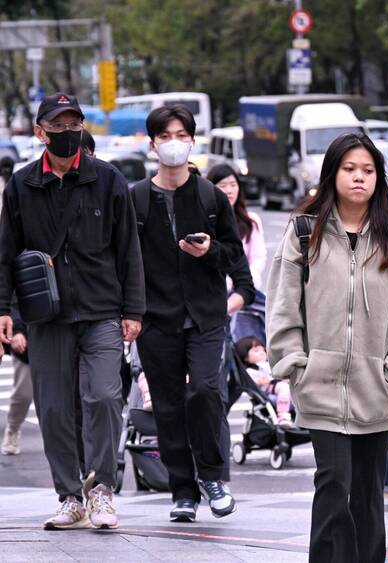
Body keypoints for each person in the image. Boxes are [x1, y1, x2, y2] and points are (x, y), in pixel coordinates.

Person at [267, 132, 388, 562]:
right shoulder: (304, 231)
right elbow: (284, 303)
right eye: (350, 169)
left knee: (368, 497)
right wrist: (294, 363)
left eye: (369, 170)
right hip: (319, 384)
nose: (359, 178)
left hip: (379, 387)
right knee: (334, 485)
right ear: (333, 173)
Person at [0, 93, 145, 529]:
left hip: (102, 309)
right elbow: (6, 253)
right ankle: (69, 495)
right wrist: (4, 309)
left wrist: (133, 308)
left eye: (74, 125)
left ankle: (100, 490)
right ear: (41, 132)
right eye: (58, 127)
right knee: (55, 408)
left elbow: (128, 250)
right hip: (46, 314)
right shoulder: (23, 184)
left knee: (103, 395)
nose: (68, 134)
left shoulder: (108, 179)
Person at [132, 105, 254, 523]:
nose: (173, 143)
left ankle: (214, 478)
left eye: (181, 135)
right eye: (165, 136)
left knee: (205, 392)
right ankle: (182, 491)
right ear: (152, 145)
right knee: (166, 407)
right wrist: (130, 315)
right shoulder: (136, 199)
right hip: (155, 321)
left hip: (205, 318)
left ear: (192, 142)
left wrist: (209, 252)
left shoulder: (209, 196)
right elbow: (124, 262)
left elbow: (235, 259)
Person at [207, 164, 267, 343]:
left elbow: (258, 258)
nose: (229, 190)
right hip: (216, 294)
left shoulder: (251, 221)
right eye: (222, 186)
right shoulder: (205, 222)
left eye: (233, 185)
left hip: (246, 290)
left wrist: (245, 284)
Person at [235, 336, 294, 427]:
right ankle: (283, 416)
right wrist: (259, 382)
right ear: (245, 357)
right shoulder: (251, 371)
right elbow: (251, 383)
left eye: (262, 350)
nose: (261, 353)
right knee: (284, 388)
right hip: (267, 391)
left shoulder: (266, 365)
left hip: (275, 386)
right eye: (256, 351)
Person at [1, 302, 31, 456]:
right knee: (23, 394)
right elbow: (11, 300)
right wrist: (18, 331)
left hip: (61, 339)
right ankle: (12, 430)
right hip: (26, 344)